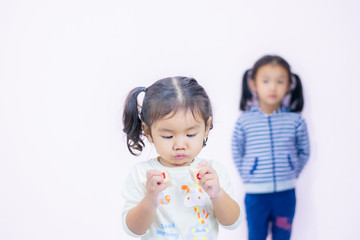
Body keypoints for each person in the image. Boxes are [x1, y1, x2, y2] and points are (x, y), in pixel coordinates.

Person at [122, 76, 242, 239]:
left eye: (190, 134)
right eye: (168, 136)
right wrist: (150, 199)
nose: (180, 144)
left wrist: (218, 194)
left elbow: (232, 223)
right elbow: (134, 230)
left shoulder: (213, 172)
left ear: (206, 127)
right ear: (148, 132)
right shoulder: (143, 174)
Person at [232, 55, 310, 240]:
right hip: (255, 196)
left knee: (283, 236)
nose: (273, 87)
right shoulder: (244, 121)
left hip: (286, 195)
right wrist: (248, 173)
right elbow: (237, 150)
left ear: (289, 85)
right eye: (266, 81)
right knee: (255, 236)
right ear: (253, 83)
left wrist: (292, 171)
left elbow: (304, 151)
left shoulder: (295, 120)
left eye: (280, 81)